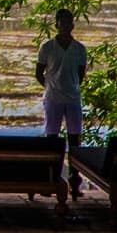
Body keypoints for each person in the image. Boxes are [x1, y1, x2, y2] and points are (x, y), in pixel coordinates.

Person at [36, 8, 87, 150]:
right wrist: (51, 87)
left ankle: (74, 172)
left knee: (74, 137)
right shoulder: (47, 47)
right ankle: (52, 170)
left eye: (68, 22)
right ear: (57, 25)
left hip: (73, 98)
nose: (65, 26)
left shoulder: (79, 49)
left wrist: (72, 87)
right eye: (62, 22)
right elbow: (39, 73)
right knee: (52, 137)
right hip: (53, 98)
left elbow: (80, 74)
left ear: (73, 25)